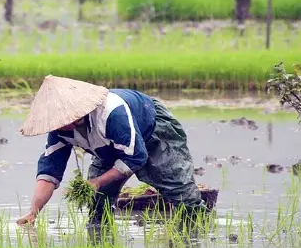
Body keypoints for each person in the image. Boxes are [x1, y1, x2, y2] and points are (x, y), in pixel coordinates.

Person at [17, 75, 205, 226]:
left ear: (74, 115)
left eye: (61, 120)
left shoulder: (112, 113)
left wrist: (97, 181)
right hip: (107, 146)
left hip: (152, 128)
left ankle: (196, 232)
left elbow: (136, 157)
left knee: (178, 189)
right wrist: (34, 211)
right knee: (98, 202)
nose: (57, 125)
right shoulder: (59, 130)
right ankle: (100, 240)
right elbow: (49, 172)